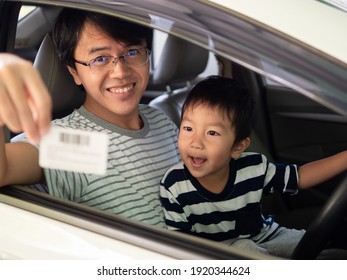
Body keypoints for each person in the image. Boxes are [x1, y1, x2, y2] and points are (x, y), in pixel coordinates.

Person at [0, 8, 180, 227]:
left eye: (133, 52)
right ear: (74, 72)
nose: (120, 72)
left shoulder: (161, 120)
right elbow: (4, 169)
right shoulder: (70, 142)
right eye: (100, 58)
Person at [159, 75, 347, 258]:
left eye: (212, 133)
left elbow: (301, 177)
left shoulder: (253, 167)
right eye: (188, 129)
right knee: (244, 247)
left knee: (318, 247)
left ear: (237, 147)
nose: (196, 143)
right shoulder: (174, 186)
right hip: (221, 255)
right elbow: (181, 247)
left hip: (268, 236)